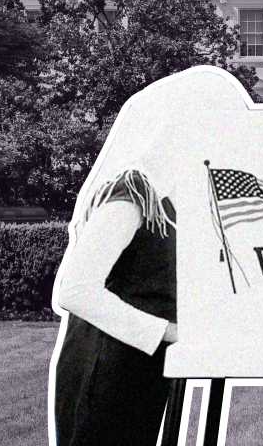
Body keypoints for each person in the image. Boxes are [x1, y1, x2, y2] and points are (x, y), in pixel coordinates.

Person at [52, 161, 180, 446]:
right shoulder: (136, 195)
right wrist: (168, 331)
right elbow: (76, 290)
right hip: (104, 371)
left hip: (142, 370)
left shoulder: (176, 200)